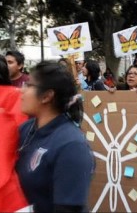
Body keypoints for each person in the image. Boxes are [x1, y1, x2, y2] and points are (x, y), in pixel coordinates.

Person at [16, 61, 94, 212]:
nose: (21, 91)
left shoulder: (72, 145)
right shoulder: (26, 129)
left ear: (47, 96)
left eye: (29, 85)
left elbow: (67, 209)